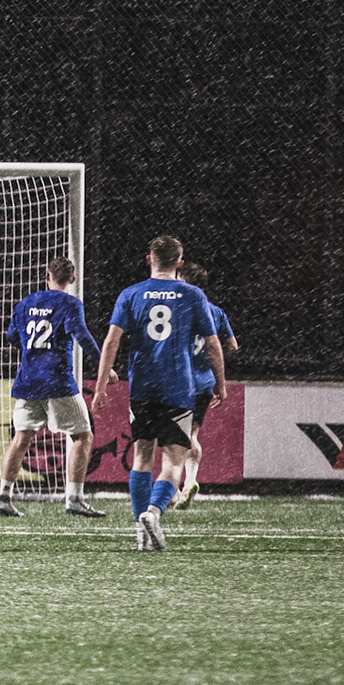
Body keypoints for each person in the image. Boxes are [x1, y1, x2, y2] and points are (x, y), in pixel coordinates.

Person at [90, 235, 224, 551]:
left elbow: (111, 342)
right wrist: (220, 383)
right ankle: (153, 512)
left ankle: (141, 531)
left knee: (142, 456)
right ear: (179, 263)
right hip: (178, 387)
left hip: (142, 386)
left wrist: (99, 386)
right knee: (174, 459)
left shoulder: (131, 294)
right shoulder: (192, 294)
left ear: (149, 259)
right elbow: (213, 344)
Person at [0, 255, 105, 519]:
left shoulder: (26, 302)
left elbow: (11, 336)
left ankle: (3, 497)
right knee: (82, 436)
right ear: (72, 279)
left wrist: (33, 351)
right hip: (56, 380)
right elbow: (82, 335)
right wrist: (104, 363)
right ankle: (74, 498)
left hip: (28, 380)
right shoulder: (70, 303)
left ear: (47, 275)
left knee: (21, 437)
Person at [172, 261, 237, 510]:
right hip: (203, 383)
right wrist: (213, 370)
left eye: (179, 278)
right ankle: (190, 482)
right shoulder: (216, 311)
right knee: (192, 435)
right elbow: (232, 345)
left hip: (179, 381)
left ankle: (173, 488)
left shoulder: (179, 308)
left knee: (172, 438)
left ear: (186, 281)